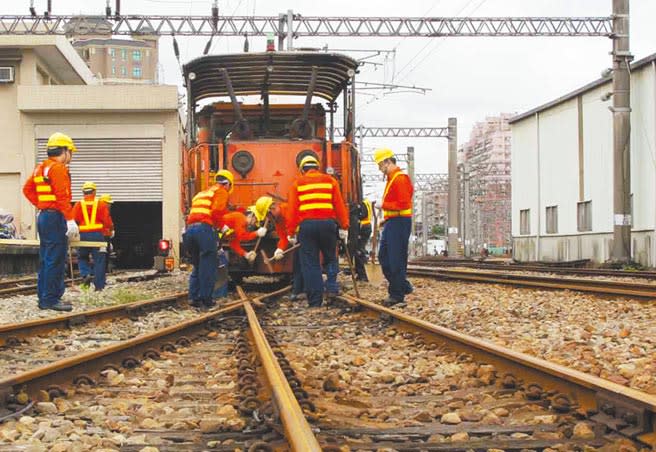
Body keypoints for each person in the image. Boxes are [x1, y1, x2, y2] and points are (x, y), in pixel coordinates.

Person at [22, 132, 79, 311]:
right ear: (64, 150)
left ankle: (44, 297)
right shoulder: (58, 168)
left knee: (46, 259)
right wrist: (70, 219)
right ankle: (51, 299)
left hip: (44, 216)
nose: (71, 156)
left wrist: (41, 204)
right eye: (70, 151)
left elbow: (27, 189)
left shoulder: (41, 168)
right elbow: (62, 197)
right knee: (55, 259)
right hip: (55, 217)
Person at [287, 155, 349, 307]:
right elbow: (339, 205)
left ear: (302, 169)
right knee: (330, 257)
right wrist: (344, 226)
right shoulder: (330, 181)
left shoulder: (297, 184)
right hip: (328, 224)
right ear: (317, 167)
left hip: (307, 227)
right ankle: (332, 288)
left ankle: (315, 301)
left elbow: (292, 210)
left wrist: (291, 232)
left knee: (310, 263)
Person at [183, 169, 233, 309]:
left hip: (190, 230)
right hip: (204, 230)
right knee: (208, 265)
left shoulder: (201, 193)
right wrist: (222, 227)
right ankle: (206, 300)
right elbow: (217, 211)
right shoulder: (221, 191)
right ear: (227, 183)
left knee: (198, 265)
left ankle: (194, 298)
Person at [374, 148, 414, 306]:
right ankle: (402, 286)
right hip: (394, 221)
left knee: (395, 259)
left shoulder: (400, 179)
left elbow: (403, 204)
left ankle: (397, 294)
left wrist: (383, 206)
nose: (379, 169)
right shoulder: (393, 179)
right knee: (385, 257)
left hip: (399, 223)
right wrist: (387, 218)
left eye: (380, 165)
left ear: (387, 162)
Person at [253, 196, 304, 300]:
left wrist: (294, 234)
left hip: (306, 236)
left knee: (305, 263)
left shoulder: (288, 209)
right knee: (297, 263)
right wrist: (280, 249)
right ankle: (298, 290)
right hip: (298, 239)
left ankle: (306, 290)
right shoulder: (277, 219)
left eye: (268, 215)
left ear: (273, 208)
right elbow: (283, 237)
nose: (269, 219)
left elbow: (299, 223)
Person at [72, 182, 114, 291]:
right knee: (99, 260)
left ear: (83, 192)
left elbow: (74, 221)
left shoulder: (78, 205)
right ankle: (99, 286)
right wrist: (108, 231)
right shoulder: (101, 204)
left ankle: (86, 274)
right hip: (97, 236)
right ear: (94, 192)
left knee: (82, 257)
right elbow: (107, 222)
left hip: (83, 236)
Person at [354, 198, 373, 282]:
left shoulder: (363, 203)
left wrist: (354, 216)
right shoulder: (367, 202)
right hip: (367, 227)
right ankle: (361, 274)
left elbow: (363, 215)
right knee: (359, 250)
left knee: (359, 251)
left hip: (363, 227)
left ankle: (363, 275)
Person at [99, 194, 115, 273]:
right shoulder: (104, 211)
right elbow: (108, 223)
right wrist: (112, 229)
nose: (110, 205)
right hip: (103, 236)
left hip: (101, 235)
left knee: (103, 254)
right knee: (104, 254)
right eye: (108, 203)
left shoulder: (98, 210)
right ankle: (102, 272)